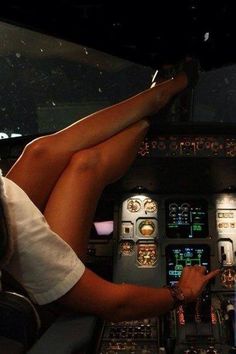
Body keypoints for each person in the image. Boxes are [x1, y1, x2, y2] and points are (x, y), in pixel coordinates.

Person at [0, 64, 220, 323]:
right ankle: (156, 104)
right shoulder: (10, 224)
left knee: (65, 158)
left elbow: (44, 154)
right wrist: (181, 293)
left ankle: (154, 106)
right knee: (84, 164)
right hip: (26, 308)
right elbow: (116, 305)